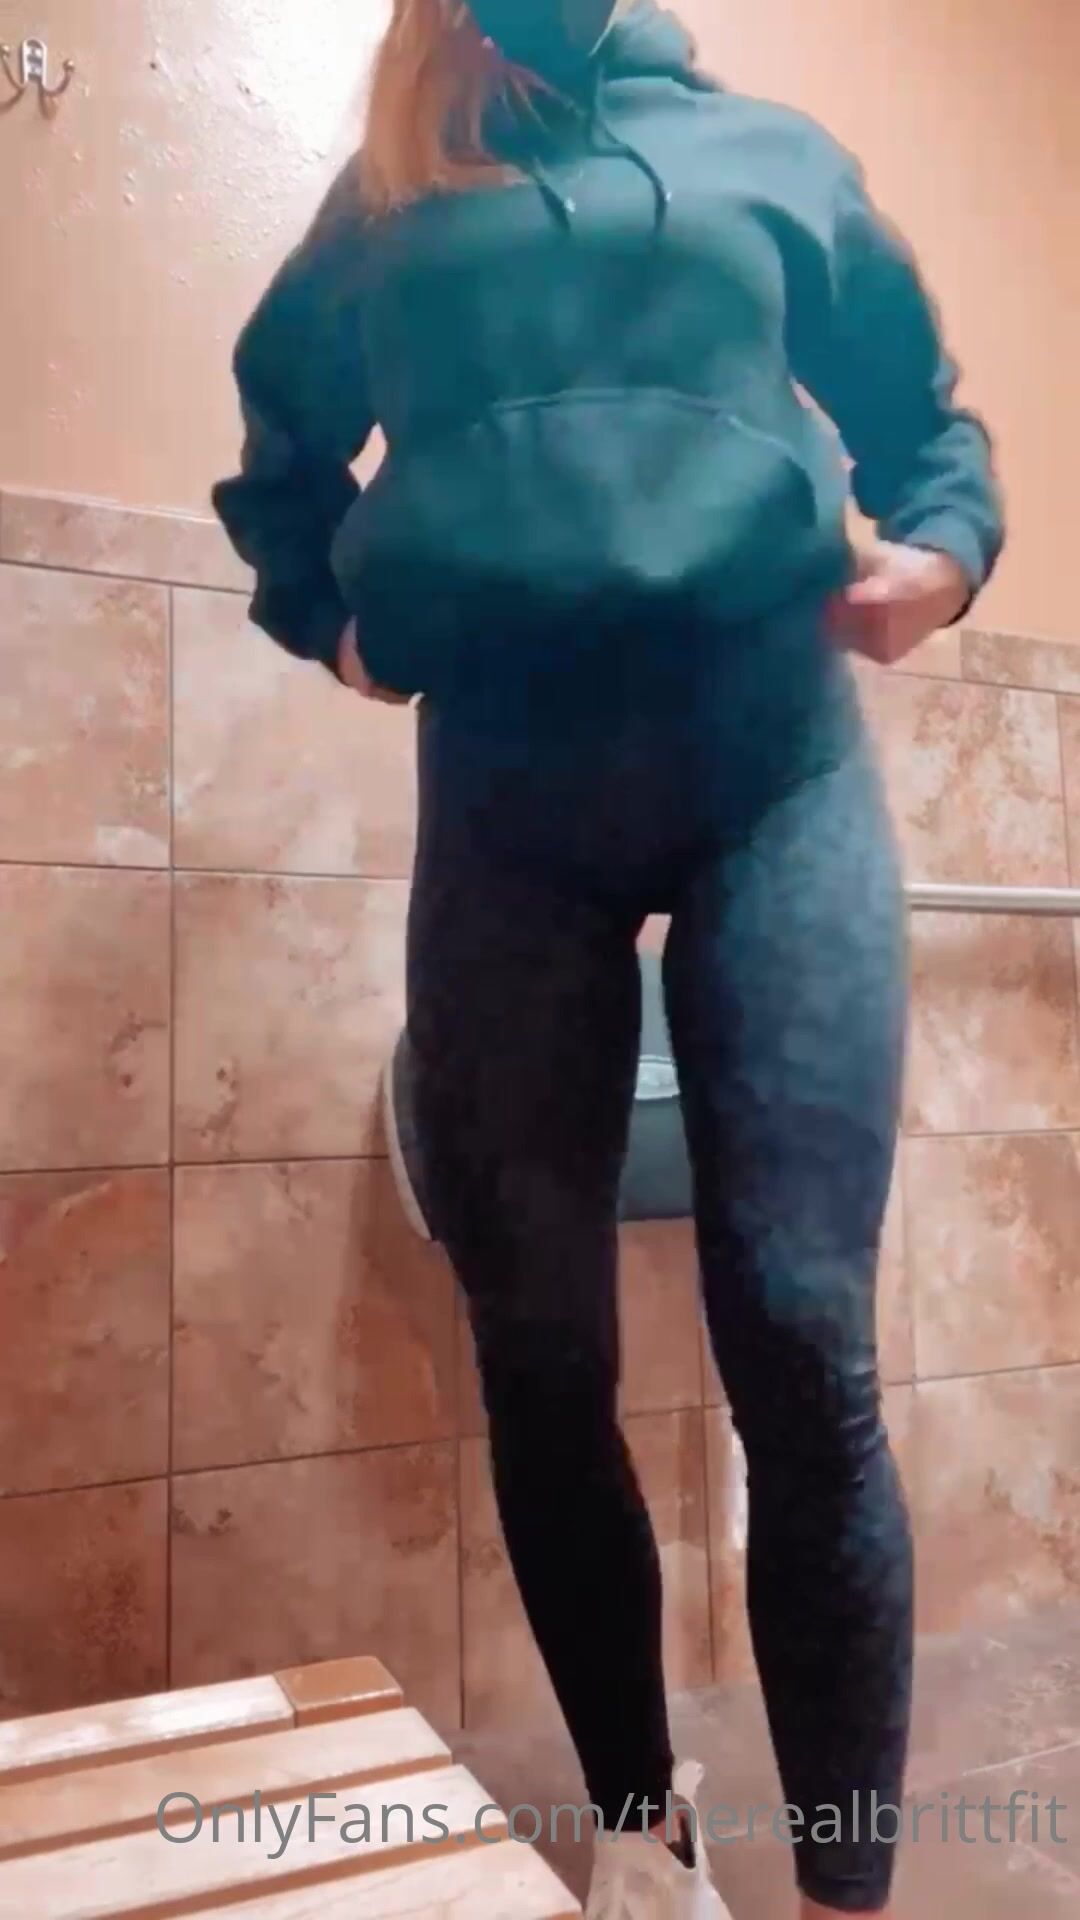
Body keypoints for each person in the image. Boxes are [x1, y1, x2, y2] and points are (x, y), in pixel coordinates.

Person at [214, 3, 1004, 1915]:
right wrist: (331, 623)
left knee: (801, 1343)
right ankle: (647, 1848)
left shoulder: (772, 162)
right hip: (508, 787)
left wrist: (945, 553)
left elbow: (930, 428)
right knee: (542, 1351)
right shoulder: (395, 187)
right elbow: (279, 460)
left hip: (773, 766)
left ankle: (842, 1896)